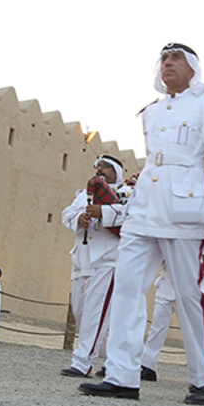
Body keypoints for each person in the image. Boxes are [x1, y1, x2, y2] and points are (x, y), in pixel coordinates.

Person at [79, 43, 204, 404]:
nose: (168, 63)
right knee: (127, 287)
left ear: (192, 68)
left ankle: (202, 378)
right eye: (164, 59)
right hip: (144, 207)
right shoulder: (151, 111)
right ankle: (122, 375)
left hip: (184, 208)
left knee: (188, 293)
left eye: (176, 58)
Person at [60, 155, 129, 377]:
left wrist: (104, 213)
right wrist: (78, 218)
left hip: (107, 260)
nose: (100, 170)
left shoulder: (126, 193)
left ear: (116, 171)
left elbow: (131, 217)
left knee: (95, 314)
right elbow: (66, 213)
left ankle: (83, 363)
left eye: (105, 167)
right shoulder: (84, 194)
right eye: (97, 166)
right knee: (81, 312)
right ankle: (114, 359)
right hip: (82, 261)